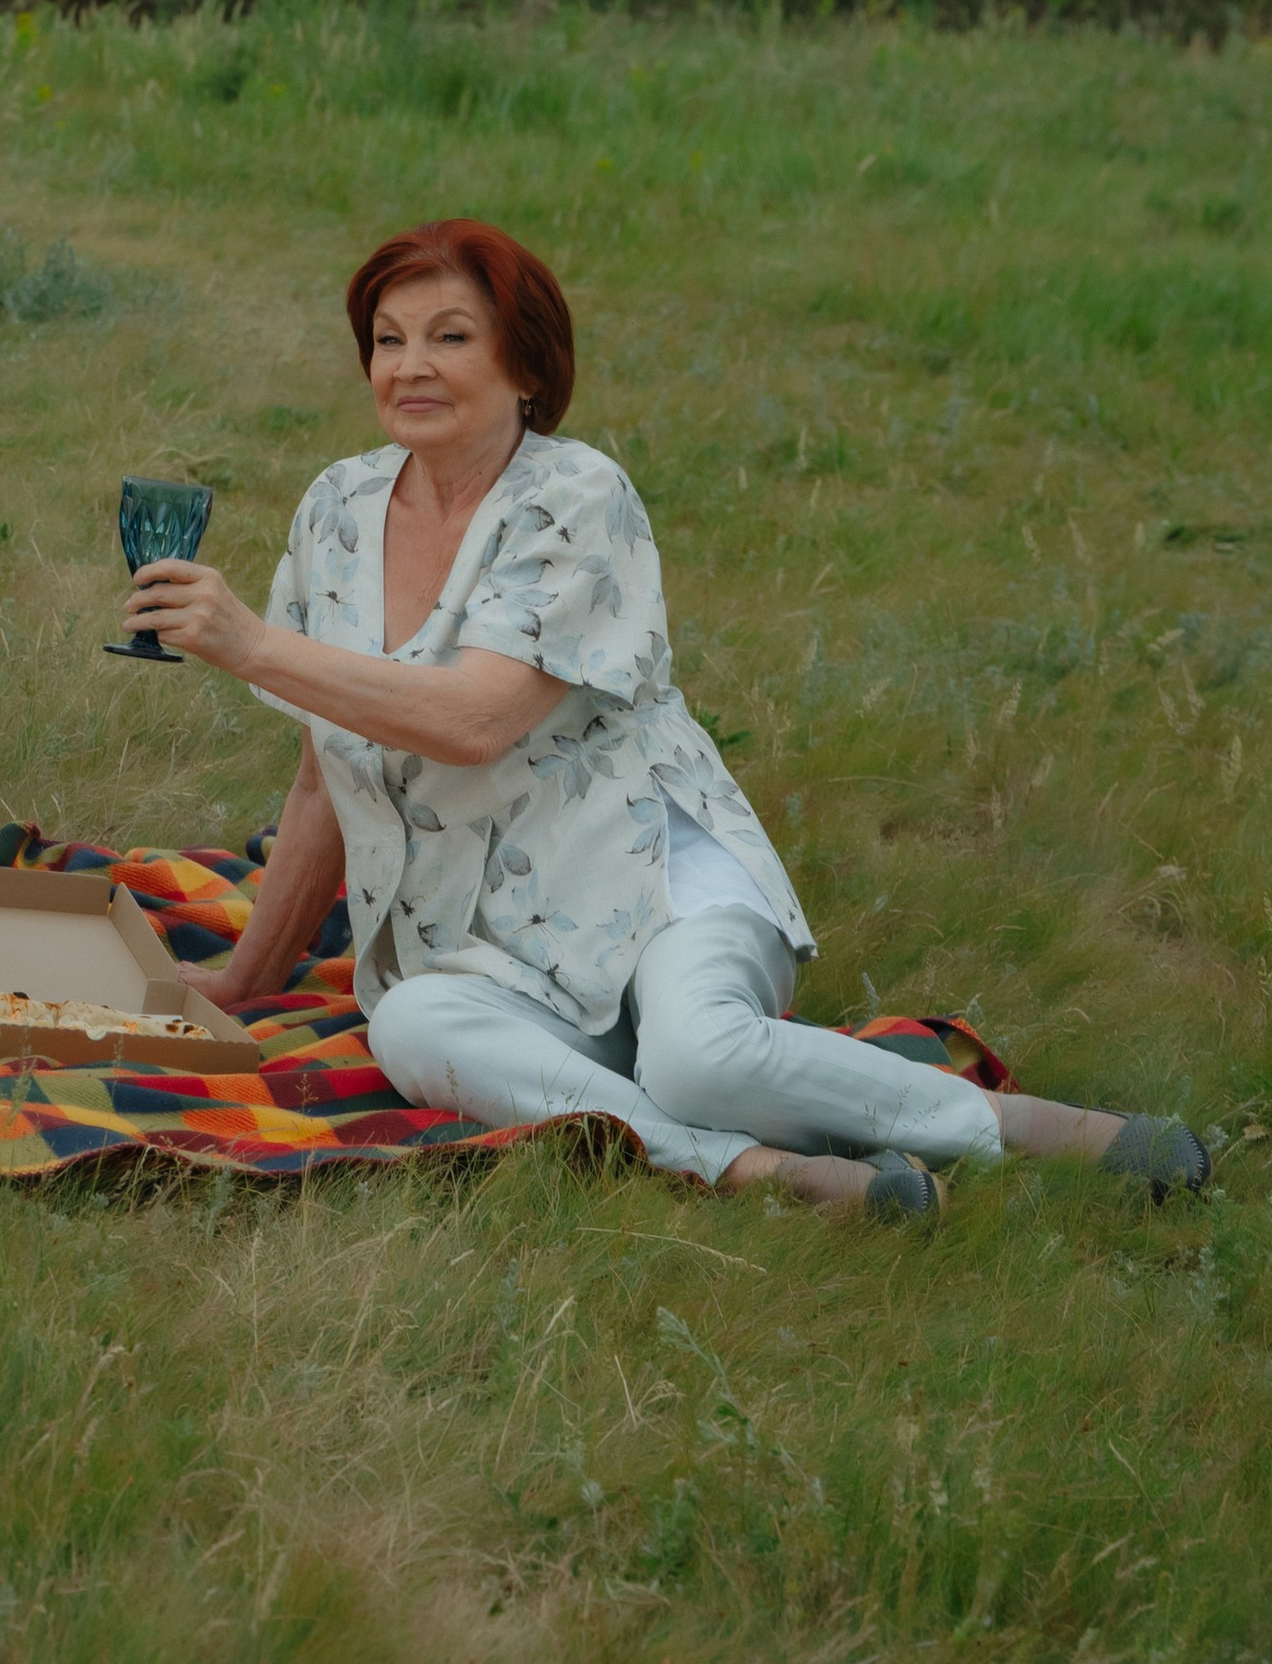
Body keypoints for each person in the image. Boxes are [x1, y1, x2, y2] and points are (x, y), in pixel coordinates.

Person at [123, 219, 1208, 1221]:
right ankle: (762, 1171)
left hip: (649, 882)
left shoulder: (576, 498)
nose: (409, 365)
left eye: (449, 336)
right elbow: (329, 769)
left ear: (524, 364)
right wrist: (242, 984)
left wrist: (255, 644)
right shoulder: (338, 510)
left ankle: (1023, 1129)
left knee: (696, 1057)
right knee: (406, 1025)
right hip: (481, 947)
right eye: (387, 338)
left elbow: (476, 721)